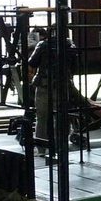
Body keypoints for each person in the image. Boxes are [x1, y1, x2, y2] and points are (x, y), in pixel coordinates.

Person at [27, 26, 76, 156]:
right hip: (63, 84)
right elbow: (75, 66)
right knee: (61, 117)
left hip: (44, 84)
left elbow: (32, 63)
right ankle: (60, 145)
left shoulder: (43, 45)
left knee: (42, 118)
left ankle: (41, 148)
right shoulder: (70, 45)